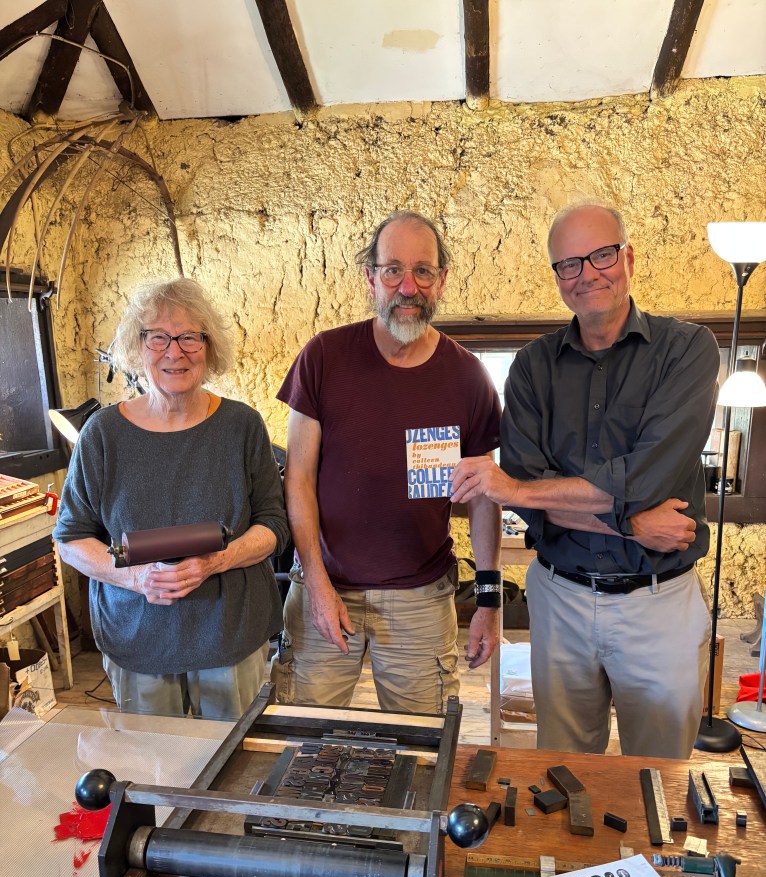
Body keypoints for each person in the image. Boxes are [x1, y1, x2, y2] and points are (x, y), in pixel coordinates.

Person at [450, 201, 719, 759]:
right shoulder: (531, 366)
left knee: (660, 771)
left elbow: (644, 477)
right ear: (557, 276)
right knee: (563, 770)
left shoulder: (688, 350)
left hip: (658, 602)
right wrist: (633, 525)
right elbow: (535, 496)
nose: (587, 274)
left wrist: (517, 490)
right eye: (569, 264)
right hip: (561, 599)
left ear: (629, 258)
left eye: (601, 255)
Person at [273, 210, 502, 714]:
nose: (408, 286)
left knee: (422, 744)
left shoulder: (468, 378)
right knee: (302, 733)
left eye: (423, 271)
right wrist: (315, 582)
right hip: (326, 585)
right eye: (393, 270)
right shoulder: (324, 357)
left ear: (442, 279)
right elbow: (299, 481)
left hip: (421, 600)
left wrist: (490, 599)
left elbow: (484, 496)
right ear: (371, 277)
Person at [54, 278, 289, 720]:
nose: (174, 352)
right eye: (157, 337)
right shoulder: (102, 435)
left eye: (189, 337)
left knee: (231, 753)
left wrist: (216, 562)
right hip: (137, 636)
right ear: (137, 346)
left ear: (209, 346)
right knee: (152, 758)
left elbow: (274, 524)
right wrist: (136, 578)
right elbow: (71, 539)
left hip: (229, 631)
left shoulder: (242, 426)